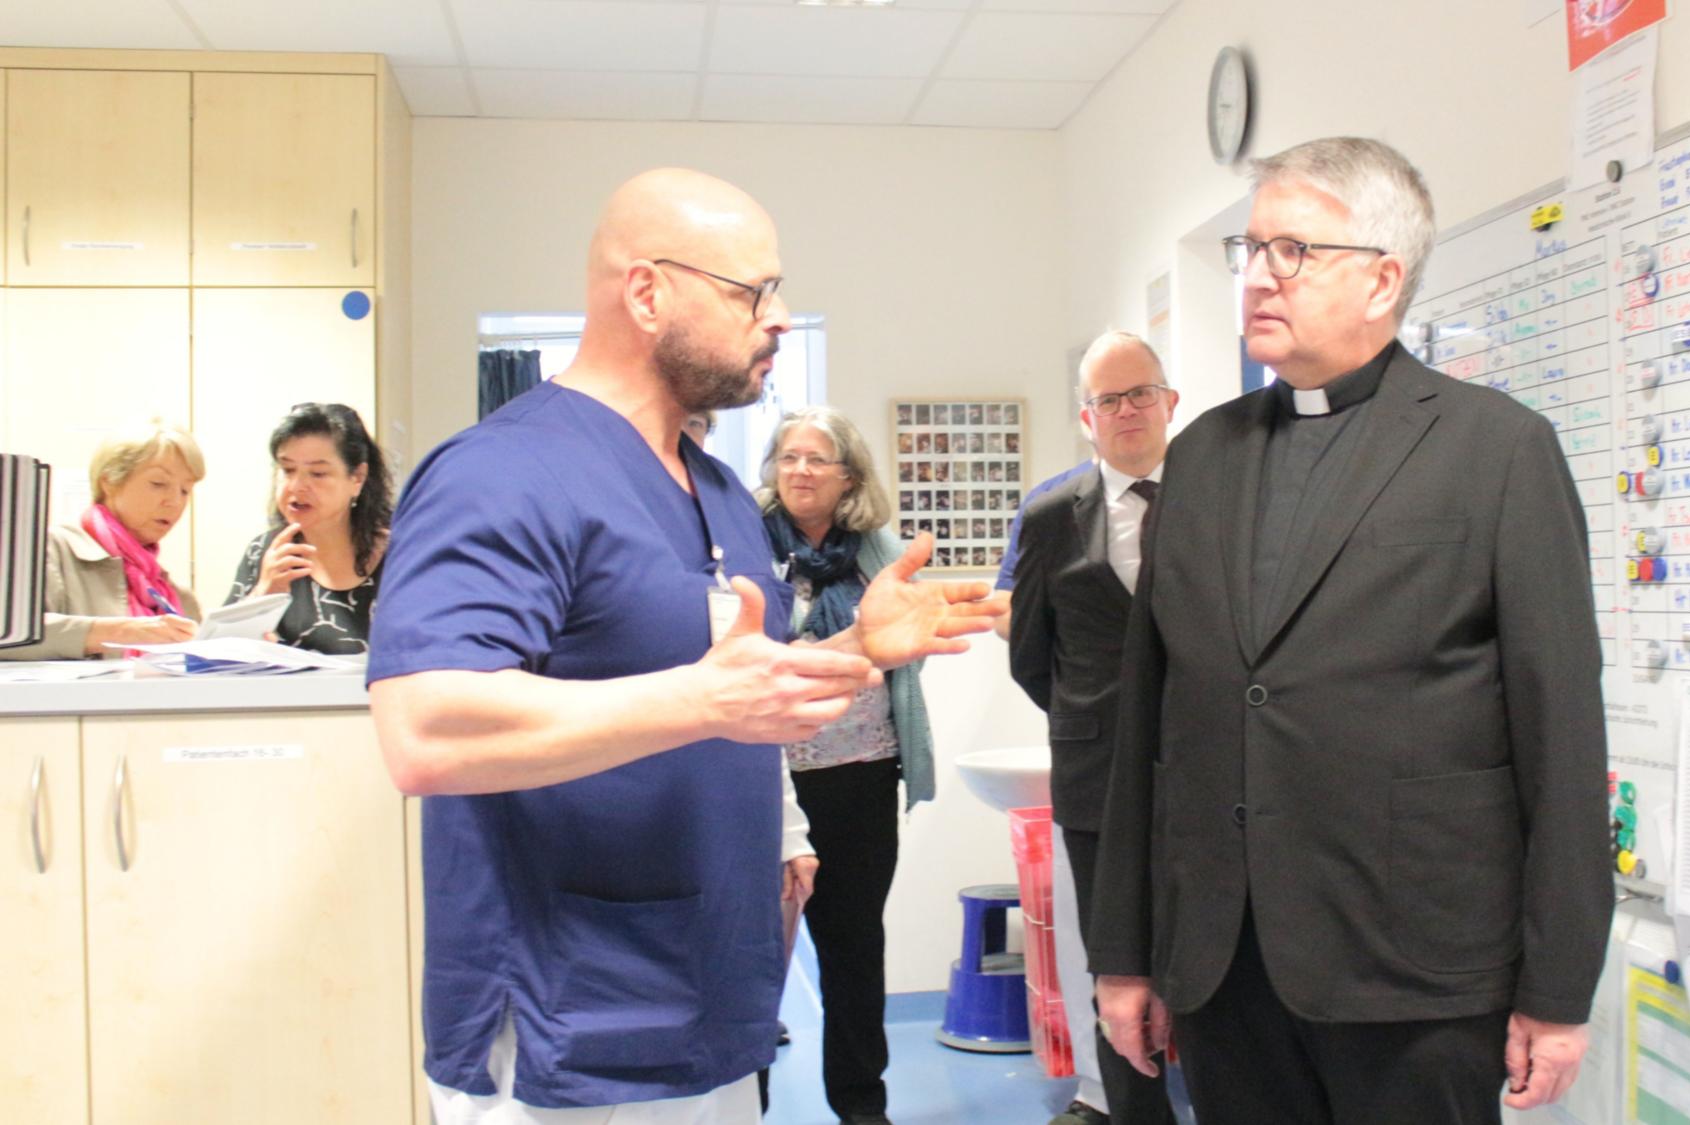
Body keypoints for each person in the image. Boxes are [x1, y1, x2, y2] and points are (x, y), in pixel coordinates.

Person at [367, 168, 1000, 1124]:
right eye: (754, 292)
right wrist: (701, 703)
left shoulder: (716, 493)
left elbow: (739, 687)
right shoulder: (502, 470)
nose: (779, 317)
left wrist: (860, 652)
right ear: (647, 291)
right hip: (567, 1023)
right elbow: (426, 731)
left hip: (713, 999)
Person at [1089, 137, 1612, 1124]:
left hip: (1414, 973)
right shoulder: (1201, 457)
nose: (1255, 277)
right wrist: (1123, 952)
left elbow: (1562, 738)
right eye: (1250, 249)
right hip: (1222, 966)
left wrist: (1556, 988)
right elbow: (1146, 727)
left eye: (1291, 251)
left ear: (1381, 280)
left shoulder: (1496, 450)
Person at [1008, 332, 1181, 1125]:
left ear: (1169, 401)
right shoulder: (1049, 516)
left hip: (1204, 771)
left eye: (1140, 392)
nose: (1127, 410)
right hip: (1096, 776)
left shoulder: (1214, 500)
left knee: (1203, 957)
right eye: (1109, 399)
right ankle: (1132, 1112)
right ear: (1087, 417)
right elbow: (1030, 656)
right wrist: (1091, 717)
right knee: (1114, 959)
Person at [759, 405, 932, 1125]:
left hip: (861, 774)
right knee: (760, 951)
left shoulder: (877, 552)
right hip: (768, 781)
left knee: (855, 948)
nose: (800, 470)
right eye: (788, 457)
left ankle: (862, 1105)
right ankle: (749, 1101)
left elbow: (907, 649)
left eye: (816, 459)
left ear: (848, 476)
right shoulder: (742, 545)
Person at [2, 420, 204, 660]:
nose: (174, 501)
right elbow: (10, 636)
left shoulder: (177, 596)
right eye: (158, 484)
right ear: (109, 481)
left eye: (185, 490)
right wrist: (118, 632)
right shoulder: (49, 551)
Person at [226, 403, 393, 654]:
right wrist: (263, 593)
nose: (296, 486)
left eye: (317, 473)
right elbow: (217, 656)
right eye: (287, 470)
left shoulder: (402, 555)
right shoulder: (264, 551)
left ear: (357, 478)